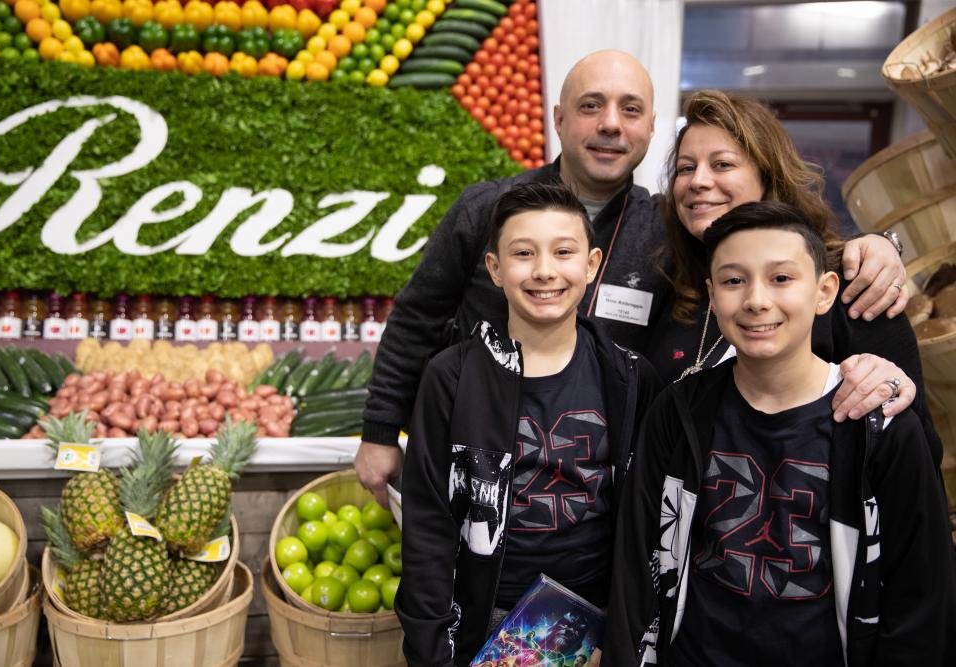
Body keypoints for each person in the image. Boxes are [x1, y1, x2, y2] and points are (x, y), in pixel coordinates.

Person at [356, 54, 907, 507]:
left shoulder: (665, 230)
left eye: (631, 110)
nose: (611, 124)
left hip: (600, 480)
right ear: (559, 119)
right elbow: (416, 319)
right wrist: (380, 432)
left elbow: (781, 242)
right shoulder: (486, 210)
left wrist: (882, 245)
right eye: (590, 106)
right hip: (474, 455)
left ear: (647, 129)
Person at [604, 201, 956, 666]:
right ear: (712, 294)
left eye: (781, 278)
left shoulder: (876, 423)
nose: (755, 300)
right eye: (733, 280)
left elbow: (923, 598)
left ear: (825, 291)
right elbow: (636, 560)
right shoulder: (680, 410)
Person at [394, 182, 660, 667]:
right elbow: (427, 528)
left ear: (592, 264)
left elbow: (646, 524)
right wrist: (431, 647)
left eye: (563, 252)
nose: (544, 271)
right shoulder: (451, 377)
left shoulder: (628, 376)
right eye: (523, 253)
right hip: (483, 617)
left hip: (594, 621)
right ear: (495, 269)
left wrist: (624, 633)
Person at [646, 90, 941, 461]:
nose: (698, 181)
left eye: (722, 165)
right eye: (686, 168)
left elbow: (917, 454)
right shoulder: (676, 284)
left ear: (767, 178)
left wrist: (891, 389)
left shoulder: (852, 285)